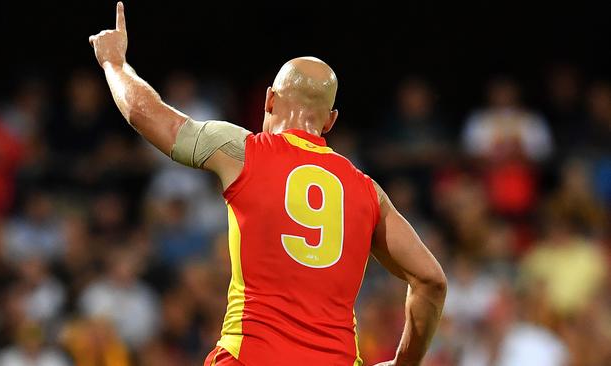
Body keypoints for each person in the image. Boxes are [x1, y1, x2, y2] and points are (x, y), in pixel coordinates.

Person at [88, 3, 447, 365]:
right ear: (330, 121)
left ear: (269, 99)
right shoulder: (368, 191)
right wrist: (404, 363)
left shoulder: (243, 151)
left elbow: (146, 115)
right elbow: (431, 280)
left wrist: (114, 64)